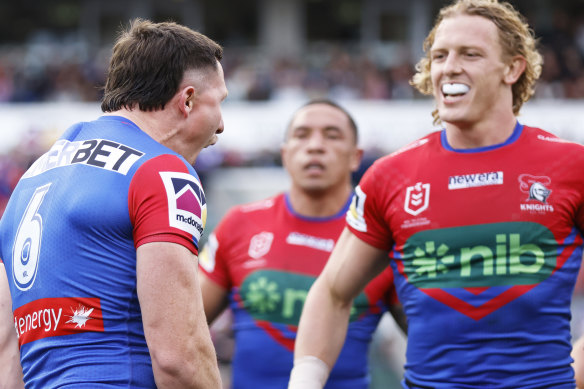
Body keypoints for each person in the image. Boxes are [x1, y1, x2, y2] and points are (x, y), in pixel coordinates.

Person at [289, 1, 584, 388]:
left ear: (513, 68)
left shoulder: (571, 165)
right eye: (440, 55)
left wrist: (572, 375)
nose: (449, 67)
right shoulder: (390, 176)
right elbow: (331, 292)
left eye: (470, 54)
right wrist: (305, 381)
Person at [0, 18, 227, 388]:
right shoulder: (162, 172)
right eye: (219, 103)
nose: (221, 127)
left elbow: (6, 350)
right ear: (187, 100)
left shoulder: (31, 178)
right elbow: (178, 357)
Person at [198, 99, 407, 389]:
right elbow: (184, 330)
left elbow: (428, 341)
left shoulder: (383, 238)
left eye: (332, 135)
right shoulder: (239, 225)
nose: (315, 146)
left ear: (356, 156)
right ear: (285, 154)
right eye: (302, 135)